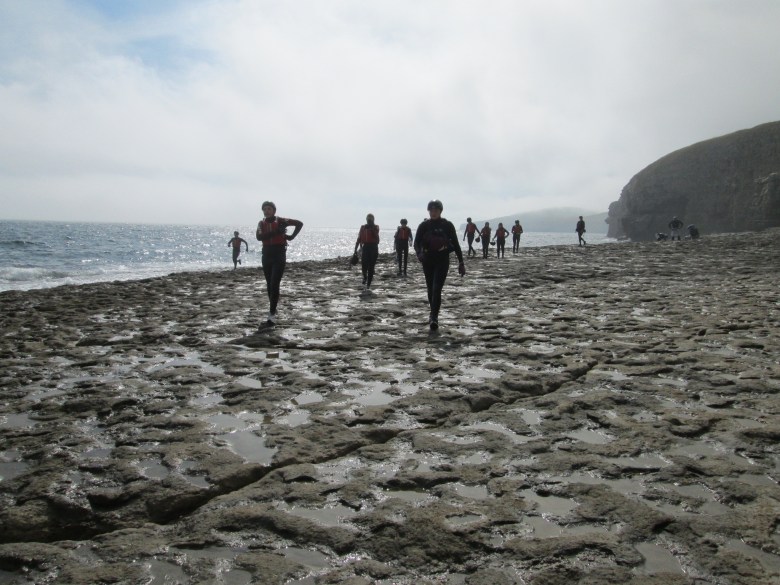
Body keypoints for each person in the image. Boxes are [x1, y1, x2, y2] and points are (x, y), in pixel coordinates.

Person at [414, 200, 465, 330]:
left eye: (436, 210)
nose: (433, 212)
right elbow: (416, 243)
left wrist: (461, 262)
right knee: (430, 289)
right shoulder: (424, 226)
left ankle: (434, 317)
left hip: (442, 261)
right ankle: (433, 313)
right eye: (431, 210)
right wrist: (419, 253)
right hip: (428, 260)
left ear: (440, 211)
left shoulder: (447, 225)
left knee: (437, 288)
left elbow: (456, 244)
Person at [255, 201, 303, 325]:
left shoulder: (281, 221)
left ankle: (271, 314)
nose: (267, 211)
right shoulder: (261, 223)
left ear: (274, 211)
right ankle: (273, 308)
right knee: (269, 284)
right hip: (266, 254)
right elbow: (259, 237)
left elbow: (299, 224)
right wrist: (277, 232)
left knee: (275, 283)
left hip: (279, 254)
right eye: (264, 209)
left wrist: (291, 237)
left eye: (269, 209)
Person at [354, 214, 380, 292]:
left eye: (370, 219)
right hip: (365, 247)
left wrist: (371, 229)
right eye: (368, 219)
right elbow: (359, 238)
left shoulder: (376, 227)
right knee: (364, 265)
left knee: (371, 266)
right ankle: (365, 276)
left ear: (373, 220)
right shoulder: (363, 227)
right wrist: (355, 249)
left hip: (373, 247)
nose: (369, 221)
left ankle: (368, 284)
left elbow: (376, 237)